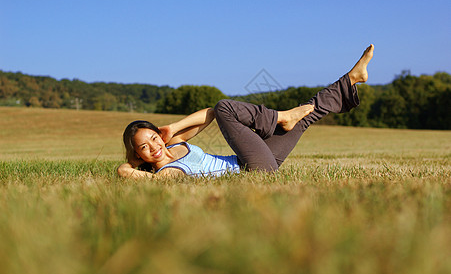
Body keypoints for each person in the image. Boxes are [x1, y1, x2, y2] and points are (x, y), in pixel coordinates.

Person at [117, 44, 374, 179]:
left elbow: (209, 114)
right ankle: (281, 117)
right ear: (138, 155)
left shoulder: (173, 145)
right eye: (144, 147)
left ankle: (351, 79)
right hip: (253, 168)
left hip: (253, 160)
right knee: (225, 107)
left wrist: (172, 129)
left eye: (152, 138)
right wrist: (128, 167)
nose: (153, 146)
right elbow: (131, 175)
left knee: (304, 118)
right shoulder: (166, 173)